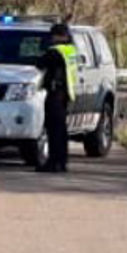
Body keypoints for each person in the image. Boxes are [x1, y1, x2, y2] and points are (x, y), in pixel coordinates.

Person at [37, 23, 77, 173]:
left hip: (55, 93)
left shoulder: (55, 52)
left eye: (53, 35)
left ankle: (53, 163)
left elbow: (39, 64)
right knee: (61, 130)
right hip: (66, 94)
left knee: (53, 130)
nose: (51, 38)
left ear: (58, 36)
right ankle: (62, 161)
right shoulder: (71, 50)